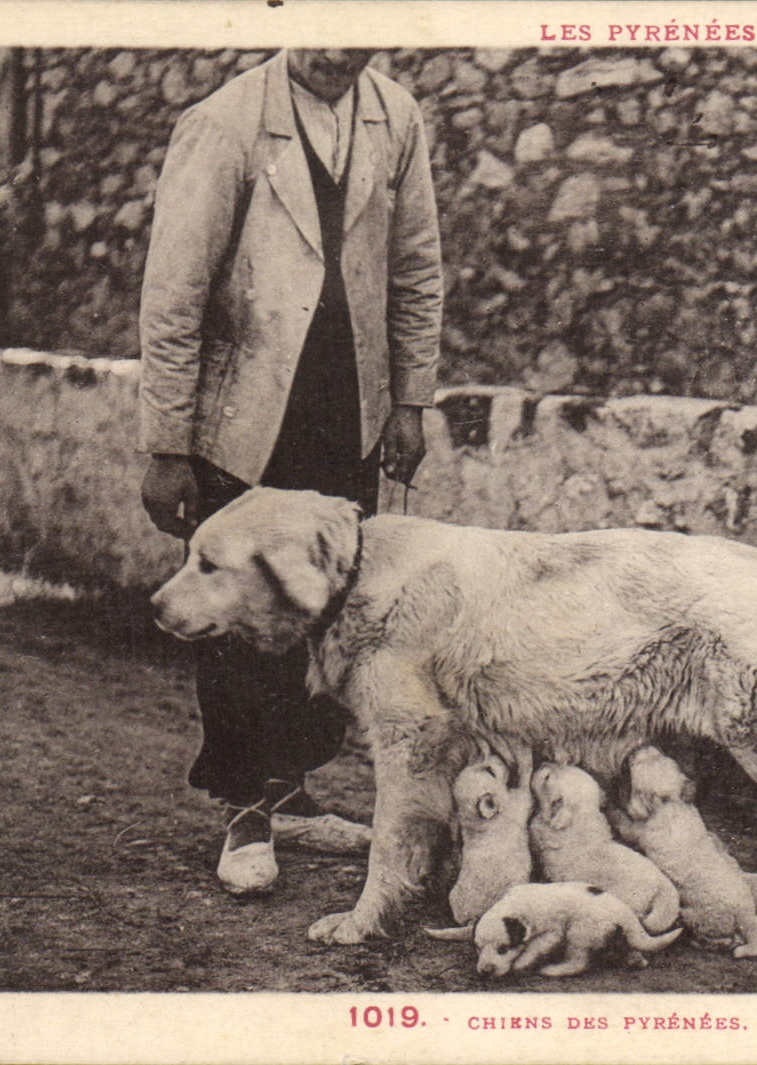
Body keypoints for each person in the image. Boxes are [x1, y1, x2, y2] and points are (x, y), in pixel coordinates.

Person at [137, 48, 442, 895]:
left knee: (330, 609)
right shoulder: (226, 122)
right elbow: (174, 291)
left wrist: (409, 400)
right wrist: (167, 443)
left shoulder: (397, 117)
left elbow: (416, 266)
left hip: (348, 414)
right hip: (245, 419)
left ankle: (295, 791)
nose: (337, 48)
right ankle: (245, 812)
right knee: (241, 614)